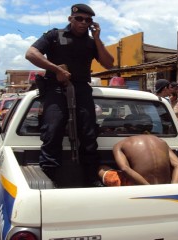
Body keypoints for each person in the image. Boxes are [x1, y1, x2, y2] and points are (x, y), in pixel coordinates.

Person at [25, 3, 114, 185]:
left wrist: (97, 38)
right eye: (79, 18)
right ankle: (49, 178)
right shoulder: (54, 35)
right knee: (53, 129)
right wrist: (55, 69)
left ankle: (91, 179)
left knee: (88, 135)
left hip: (81, 88)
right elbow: (31, 53)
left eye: (87, 20)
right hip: (55, 88)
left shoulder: (91, 42)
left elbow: (109, 63)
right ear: (70, 19)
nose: (83, 22)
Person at [98, 135, 178, 186]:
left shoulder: (120, 144)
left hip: (138, 186)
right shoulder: (162, 142)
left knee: (101, 168)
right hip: (165, 185)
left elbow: (125, 169)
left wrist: (148, 189)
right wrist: (173, 188)